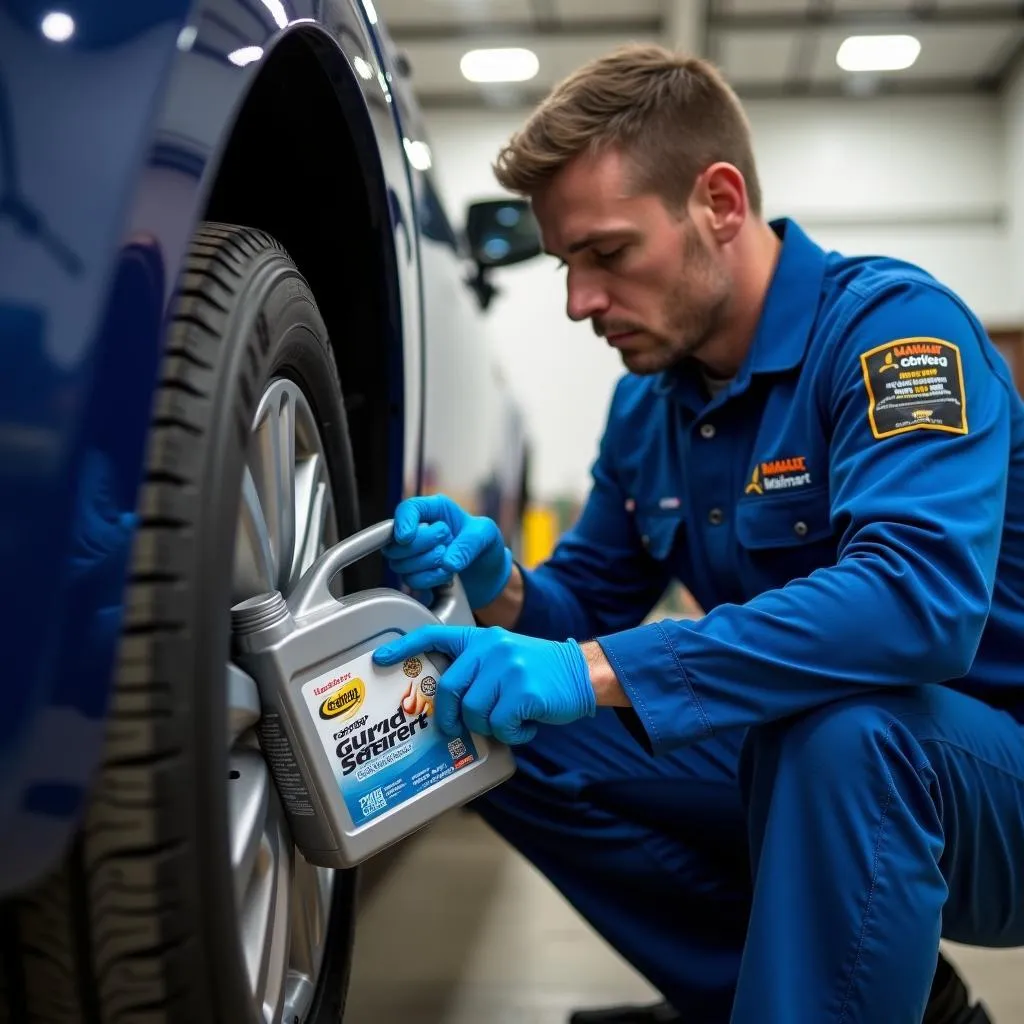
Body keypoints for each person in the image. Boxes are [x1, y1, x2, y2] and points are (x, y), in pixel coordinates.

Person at [372, 43, 1024, 1024]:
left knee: (847, 728)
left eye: (608, 253)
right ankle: (834, 994)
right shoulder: (650, 407)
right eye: (563, 263)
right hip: (797, 764)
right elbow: (582, 611)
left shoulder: (892, 335)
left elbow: (913, 603)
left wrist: (588, 670)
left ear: (718, 202)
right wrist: (503, 586)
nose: (577, 301)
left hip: (985, 783)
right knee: (477, 730)